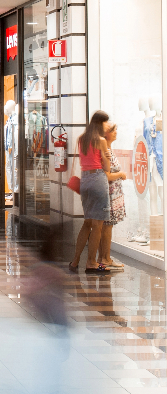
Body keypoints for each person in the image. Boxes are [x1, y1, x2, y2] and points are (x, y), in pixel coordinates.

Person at [69, 111, 111, 274]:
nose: (107, 125)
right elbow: (106, 168)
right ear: (100, 123)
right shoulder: (101, 141)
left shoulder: (82, 139)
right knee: (98, 225)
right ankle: (92, 262)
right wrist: (106, 156)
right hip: (97, 180)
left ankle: (75, 261)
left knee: (87, 223)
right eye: (106, 123)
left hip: (85, 181)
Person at [99, 123, 126, 270]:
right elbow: (107, 175)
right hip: (109, 193)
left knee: (107, 226)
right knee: (107, 226)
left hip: (113, 193)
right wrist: (121, 174)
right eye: (113, 130)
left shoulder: (109, 149)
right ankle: (105, 258)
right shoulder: (106, 150)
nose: (116, 132)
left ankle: (104, 257)